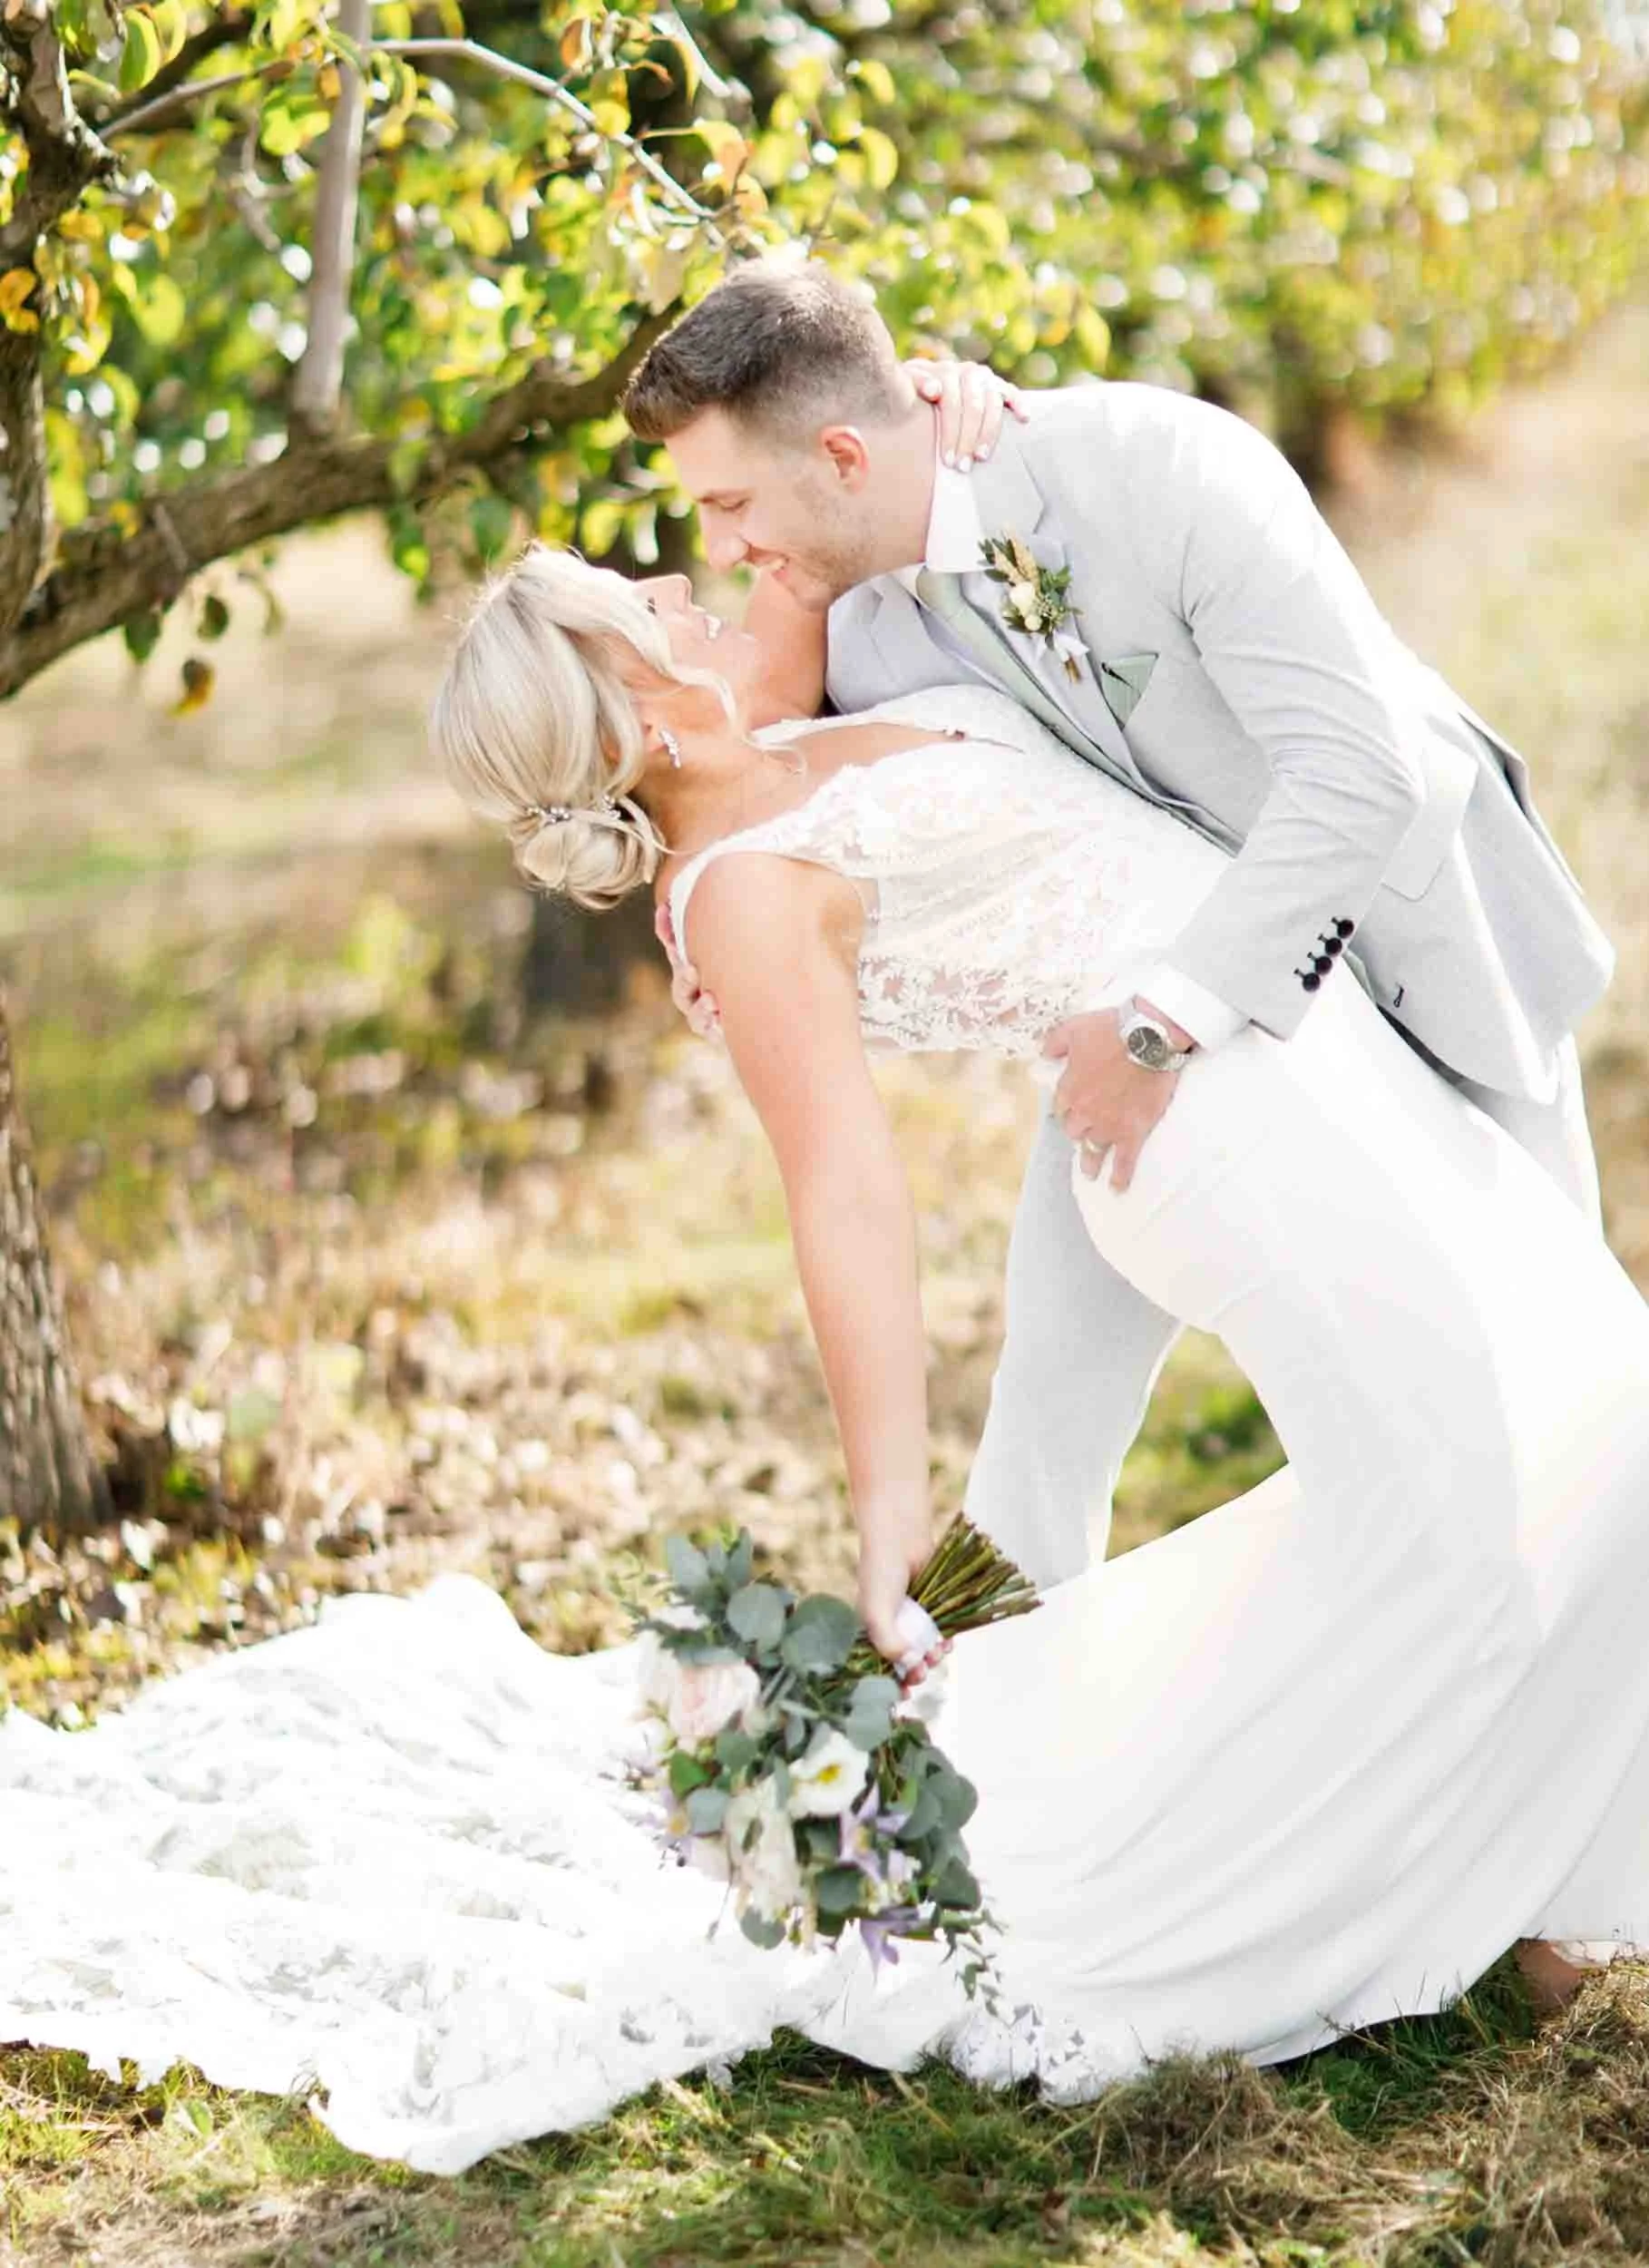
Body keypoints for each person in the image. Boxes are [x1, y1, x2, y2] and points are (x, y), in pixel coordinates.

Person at [3, 278, 1644, 2174]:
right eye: (658, 585)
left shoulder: (824, 676)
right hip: (1200, 1115)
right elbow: (842, 1194)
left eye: (707, 530)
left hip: (1313, 1017)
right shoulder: (745, 889)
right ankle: (1360, 1897)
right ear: (626, 697)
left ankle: (1507, 1853)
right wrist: (879, 1503)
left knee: (1588, 1426)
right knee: (1465, 1496)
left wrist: (927, 411)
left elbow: (829, 495)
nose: (701, 569)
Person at [622, 259, 1616, 1610]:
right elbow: (735, 756)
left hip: (1410, 935)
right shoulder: (863, 609)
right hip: (1143, 1021)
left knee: (1559, 1386)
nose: (724, 551)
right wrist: (692, 896)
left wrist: (1162, 1024)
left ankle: (1540, 1693)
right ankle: (938, 1741)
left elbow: (1359, 779)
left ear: (843, 452)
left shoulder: (1157, 463)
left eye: (730, 504)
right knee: (1045, 1417)